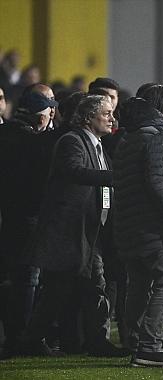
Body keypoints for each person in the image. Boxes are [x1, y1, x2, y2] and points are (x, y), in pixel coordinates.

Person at [23, 95, 128, 358]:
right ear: (89, 117)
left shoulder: (98, 145)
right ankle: (32, 340)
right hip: (70, 230)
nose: (112, 119)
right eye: (106, 114)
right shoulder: (73, 141)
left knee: (93, 286)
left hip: (89, 230)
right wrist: (117, 177)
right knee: (61, 290)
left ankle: (95, 341)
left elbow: (101, 186)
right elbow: (74, 171)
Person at [114, 85, 163, 367]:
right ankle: (149, 347)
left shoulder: (130, 137)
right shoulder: (159, 137)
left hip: (130, 226)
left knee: (138, 285)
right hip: (155, 228)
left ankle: (133, 342)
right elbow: (162, 182)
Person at [0, 92, 57, 358]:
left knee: (13, 279)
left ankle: (12, 336)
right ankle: (21, 336)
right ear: (40, 114)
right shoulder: (31, 141)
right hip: (26, 218)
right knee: (27, 279)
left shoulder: (7, 133)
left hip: (9, 217)